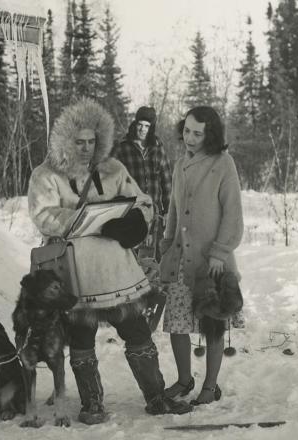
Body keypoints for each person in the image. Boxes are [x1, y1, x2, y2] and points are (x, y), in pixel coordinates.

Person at [27, 98, 192, 425]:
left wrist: (135, 222)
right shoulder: (46, 174)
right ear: (65, 140)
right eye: (80, 142)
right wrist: (83, 219)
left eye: (92, 141)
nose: (87, 148)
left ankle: (156, 397)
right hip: (74, 270)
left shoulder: (113, 169)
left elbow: (143, 201)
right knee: (81, 337)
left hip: (116, 269)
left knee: (137, 329)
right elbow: (42, 214)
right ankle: (92, 404)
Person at [159, 106, 244, 406]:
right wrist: (167, 244)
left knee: (212, 323)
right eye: (186, 131)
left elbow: (233, 213)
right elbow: (173, 208)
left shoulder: (223, 163)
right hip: (182, 257)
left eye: (198, 133)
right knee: (177, 323)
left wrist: (221, 252)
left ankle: (210, 386)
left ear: (210, 134)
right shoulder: (181, 163)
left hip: (212, 262)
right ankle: (184, 380)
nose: (190, 138)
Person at [112, 106, 172, 262]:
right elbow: (112, 181)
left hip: (155, 213)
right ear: (135, 123)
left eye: (147, 126)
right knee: (132, 258)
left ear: (151, 127)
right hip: (132, 213)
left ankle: (155, 284)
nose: (143, 129)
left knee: (155, 256)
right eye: (140, 124)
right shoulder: (123, 147)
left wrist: (168, 209)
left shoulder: (158, 147)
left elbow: (166, 181)